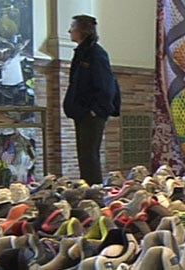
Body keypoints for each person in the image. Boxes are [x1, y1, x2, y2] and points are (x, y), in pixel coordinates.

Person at [63, 15, 121, 186]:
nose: (69, 31)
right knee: (84, 155)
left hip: (92, 113)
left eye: (72, 27)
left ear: (82, 30)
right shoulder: (83, 52)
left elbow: (106, 85)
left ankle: (95, 194)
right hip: (82, 112)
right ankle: (86, 189)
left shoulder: (96, 53)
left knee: (90, 155)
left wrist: (96, 110)